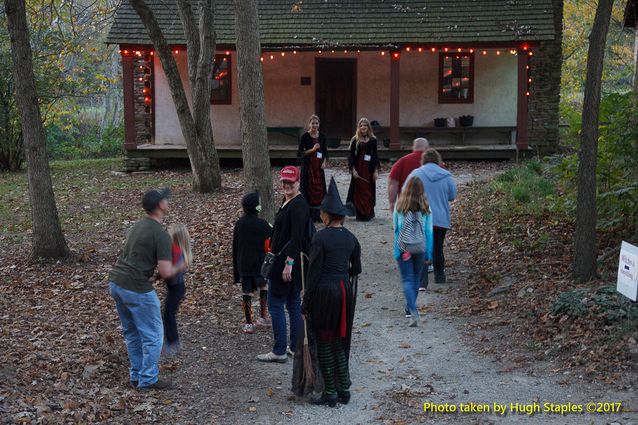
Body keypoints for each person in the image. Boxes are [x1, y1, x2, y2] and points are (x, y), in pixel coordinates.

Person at [108, 188, 186, 390]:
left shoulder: (137, 226)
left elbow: (138, 257)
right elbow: (167, 272)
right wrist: (182, 265)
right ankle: (148, 379)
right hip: (136, 287)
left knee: (132, 332)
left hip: (117, 282)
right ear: (160, 205)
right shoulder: (161, 234)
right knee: (153, 334)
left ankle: (136, 375)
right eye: (165, 200)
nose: (168, 202)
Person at [300, 177, 361, 406]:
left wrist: (305, 304)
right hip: (345, 292)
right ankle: (344, 389)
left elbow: (313, 275)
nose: (320, 216)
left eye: (322, 213)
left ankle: (331, 392)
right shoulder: (351, 238)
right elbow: (357, 268)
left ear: (327, 215)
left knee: (325, 341)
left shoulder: (320, 237)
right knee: (339, 340)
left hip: (326, 293)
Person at [258, 166, 310, 363]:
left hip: (286, 262)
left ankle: (279, 350)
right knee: (293, 302)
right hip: (284, 260)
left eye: (291, 182)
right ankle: (294, 347)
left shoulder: (298, 205)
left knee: (276, 303)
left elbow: (297, 237)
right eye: (284, 182)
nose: (287, 185)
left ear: (298, 182)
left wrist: (289, 263)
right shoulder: (289, 201)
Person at [405, 148, 457, 283]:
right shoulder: (446, 175)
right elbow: (452, 196)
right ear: (438, 160)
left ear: (423, 160)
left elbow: (406, 193)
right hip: (440, 218)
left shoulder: (415, 174)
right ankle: (440, 276)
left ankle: (422, 279)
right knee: (438, 247)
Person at [393, 177, 433, 326]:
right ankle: (411, 307)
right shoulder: (426, 208)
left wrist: (400, 248)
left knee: (407, 279)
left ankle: (412, 310)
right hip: (420, 247)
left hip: (404, 248)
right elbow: (429, 232)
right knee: (416, 278)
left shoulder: (400, 207)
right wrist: (429, 253)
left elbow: (396, 228)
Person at [232, 191, 272, 334]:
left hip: (244, 265)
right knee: (264, 286)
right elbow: (272, 241)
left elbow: (235, 247)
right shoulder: (263, 225)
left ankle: (249, 323)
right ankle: (263, 315)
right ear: (257, 207)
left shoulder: (239, 224)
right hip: (260, 264)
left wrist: (236, 270)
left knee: (246, 291)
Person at [162, 223, 192, 356]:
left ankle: (173, 343)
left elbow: (171, 272)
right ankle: (171, 341)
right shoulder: (176, 252)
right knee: (168, 313)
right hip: (175, 287)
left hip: (177, 288)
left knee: (169, 313)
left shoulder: (177, 253)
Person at [346, 117, 380, 221]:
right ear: (359, 127)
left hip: (369, 170)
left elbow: (375, 156)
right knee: (358, 189)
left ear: (368, 127)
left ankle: (368, 212)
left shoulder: (373, 140)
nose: (363, 127)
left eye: (365, 125)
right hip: (359, 169)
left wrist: (376, 170)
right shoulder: (355, 140)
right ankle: (359, 212)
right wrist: (353, 170)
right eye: (361, 125)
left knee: (368, 189)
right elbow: (351, 156)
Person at [298, 114, 328, 222]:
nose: (315, 125)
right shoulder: (305, 137)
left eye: (317, 123)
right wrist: (312, 149)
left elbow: (325, 152)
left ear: (319, 124)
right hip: (308, 168)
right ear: (309, 124)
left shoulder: (323, 136)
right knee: (308, 190)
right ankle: (309, 215)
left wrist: (324, 162)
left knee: (320, 190)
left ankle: (320, 215)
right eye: (313, 123)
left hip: (318, 169)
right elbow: (300, 153)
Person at [387, 137, 429, 212]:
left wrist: (392, 202)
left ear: (413, 147)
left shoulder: (402, 161)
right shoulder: (436, 163)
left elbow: (393, 183)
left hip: (406, 205)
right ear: (427, 148)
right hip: (428, 205)